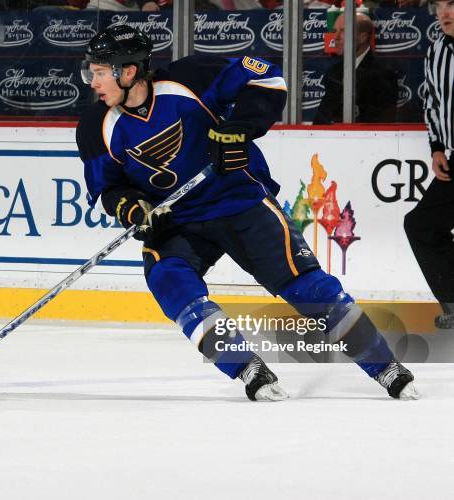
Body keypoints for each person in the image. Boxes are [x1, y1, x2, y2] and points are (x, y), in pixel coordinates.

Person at [76, 25, 419, 400]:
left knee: (305, 287)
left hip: (238, 201)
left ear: (128, 71)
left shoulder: (190, 77)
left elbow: (266, 76)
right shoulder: (96, 125)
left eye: (99, 72)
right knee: (169, 280)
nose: (92, 82)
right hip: (179, 220)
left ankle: (385, 366)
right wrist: (131, 206)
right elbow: (108, 188)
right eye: (90, 72)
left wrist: (240, 129)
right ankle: (246, 366)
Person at [404, 0, 454, 330]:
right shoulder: (437, 49)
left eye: (451, 4)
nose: (444, 13)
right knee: (422, 224)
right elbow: (433, 102)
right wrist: (437, 146)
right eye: (438, 6)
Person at [313, 12, 398, 124]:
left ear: (362, 37)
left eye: (343, 31)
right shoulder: (333, 73)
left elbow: (380, 123)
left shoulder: (383, 73)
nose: (336, 37)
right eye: (335, 31)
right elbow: (321, 121)